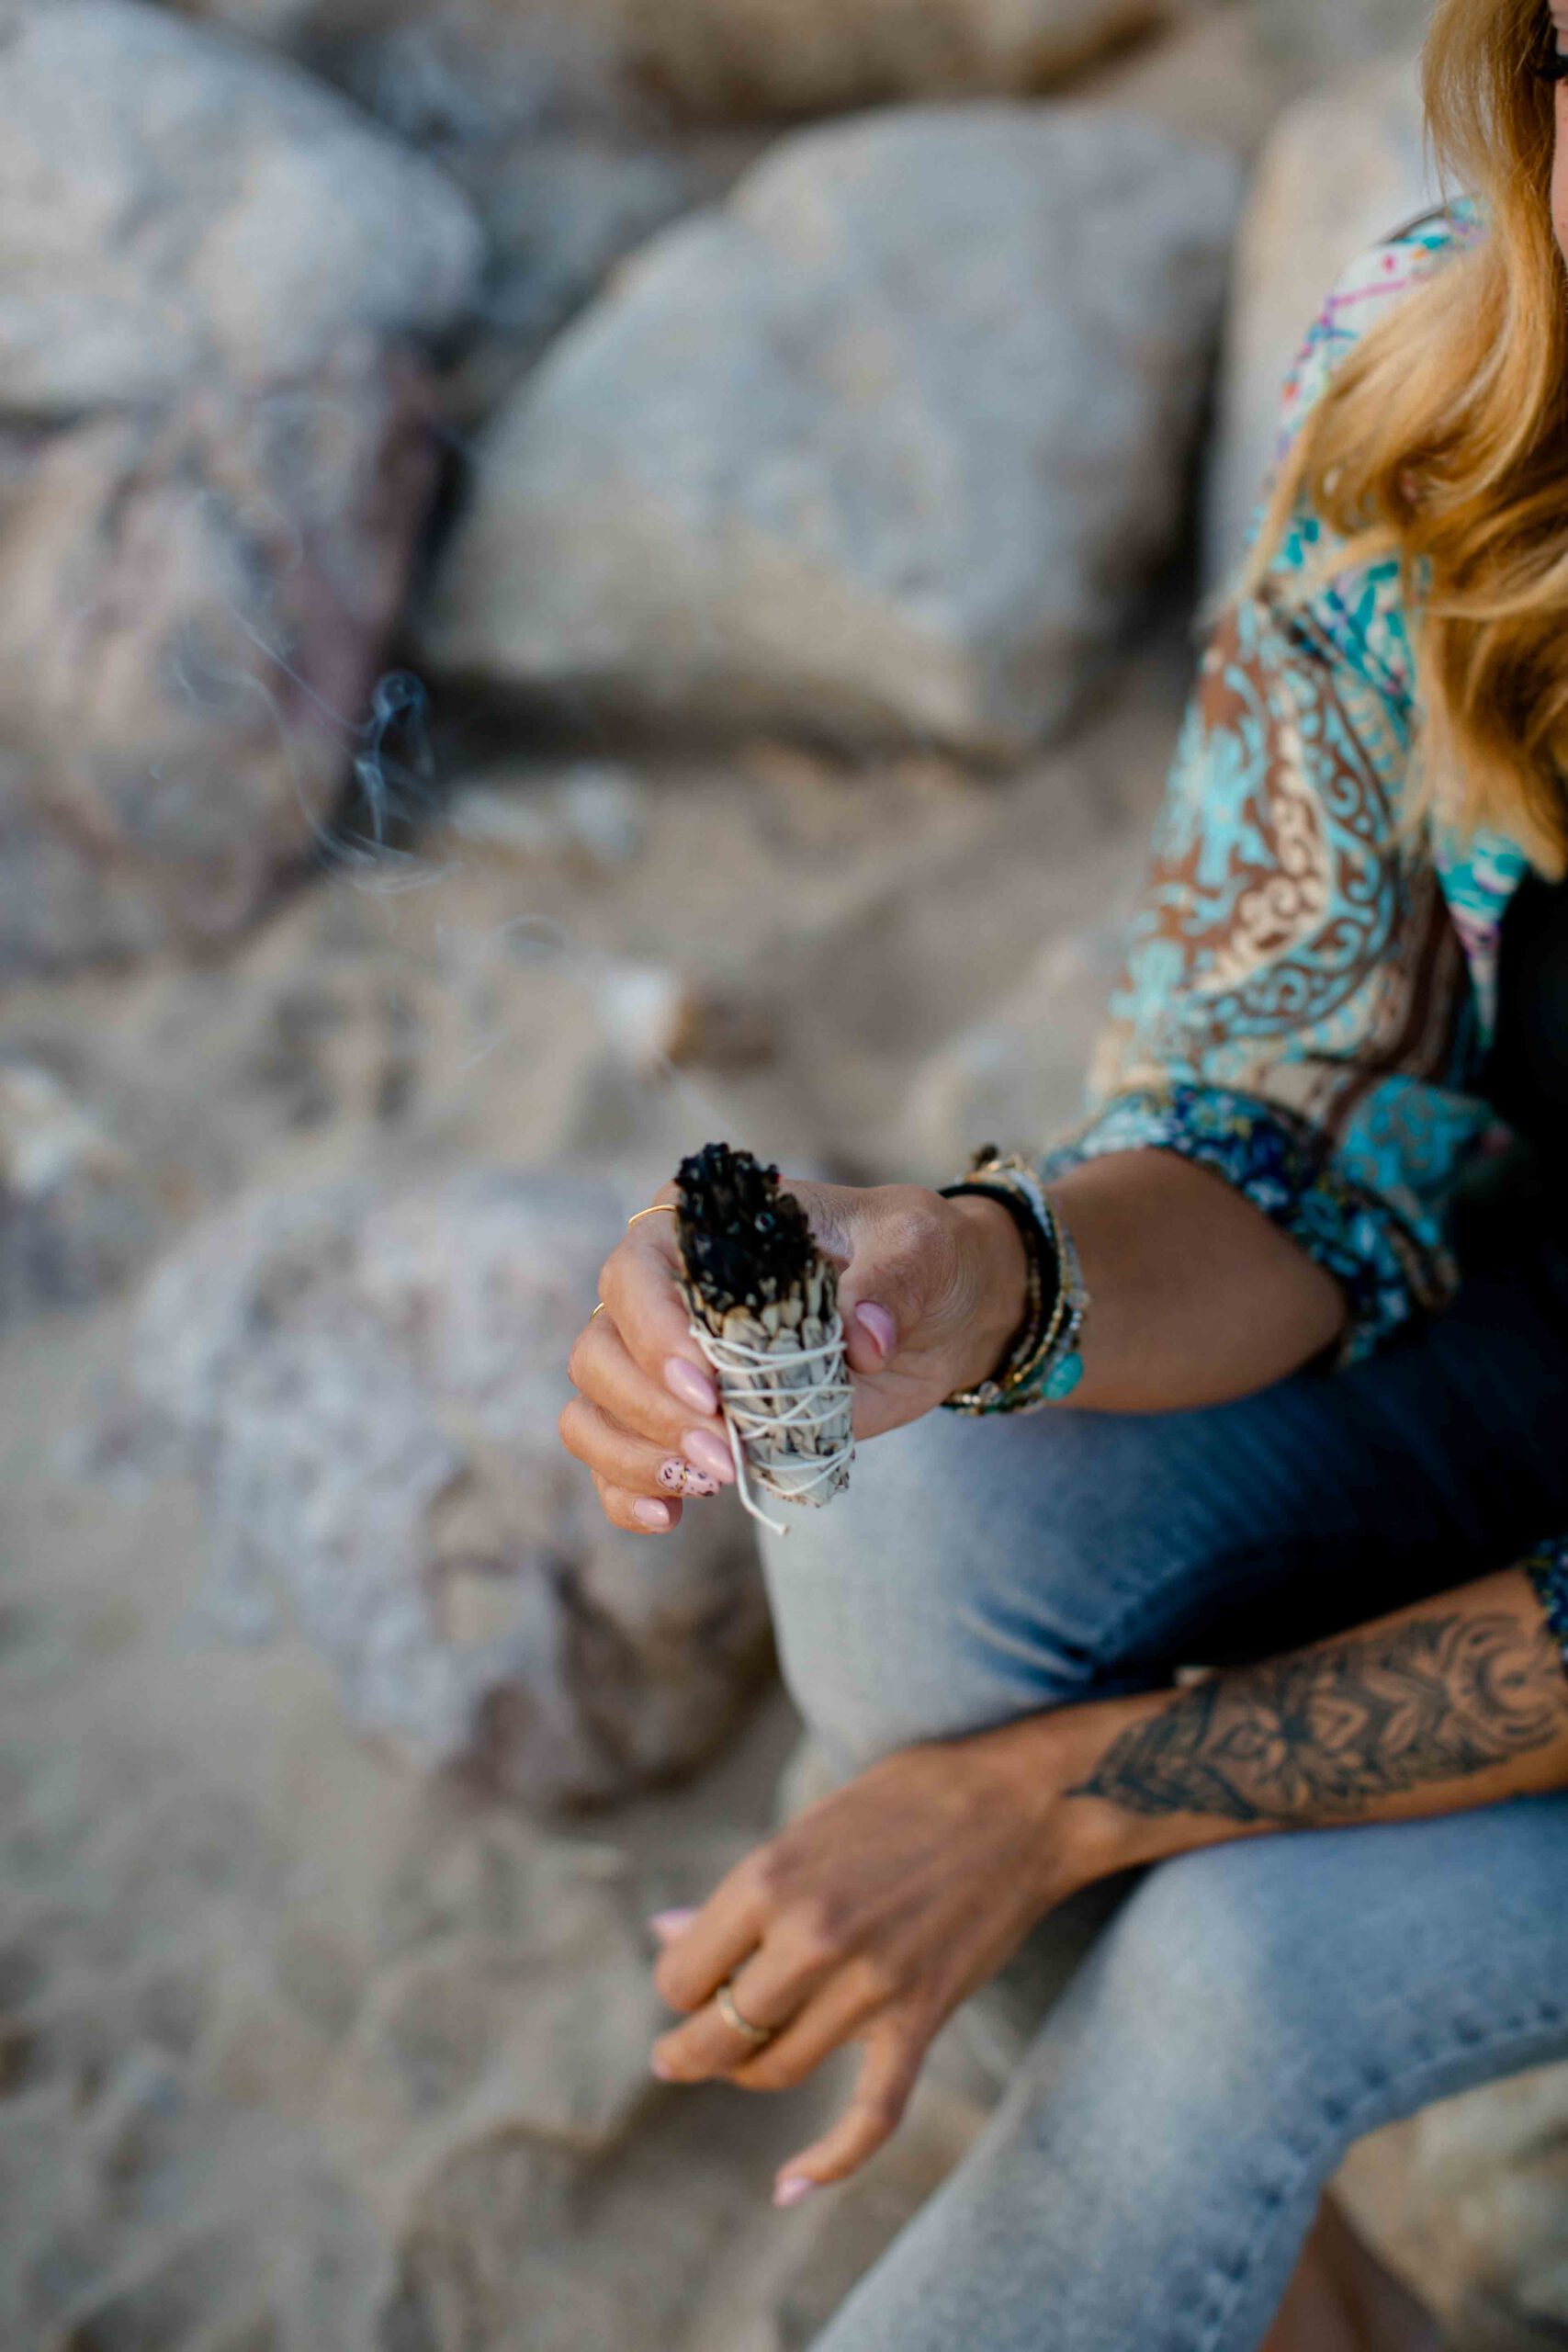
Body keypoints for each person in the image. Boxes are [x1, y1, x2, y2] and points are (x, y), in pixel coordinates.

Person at [557, 4, 1568, 2344]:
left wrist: (1067, 1799)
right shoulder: (1454, 371)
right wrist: (963, 1272)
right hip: (1511, 1354)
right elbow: (1292, 1114)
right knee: (913, 1489)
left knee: (1234, 1964)